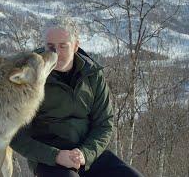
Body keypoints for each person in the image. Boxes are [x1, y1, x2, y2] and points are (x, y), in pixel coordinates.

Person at [10, 16, 143, 177]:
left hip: (87, 154)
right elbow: (14, 134)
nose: (55, 53)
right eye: (50, 46)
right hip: (49, 160)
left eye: (63, 46)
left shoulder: (92, 74)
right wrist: (55, 156)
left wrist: (85, 154)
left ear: (75, 46)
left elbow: (104, 123)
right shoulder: (29, 76)